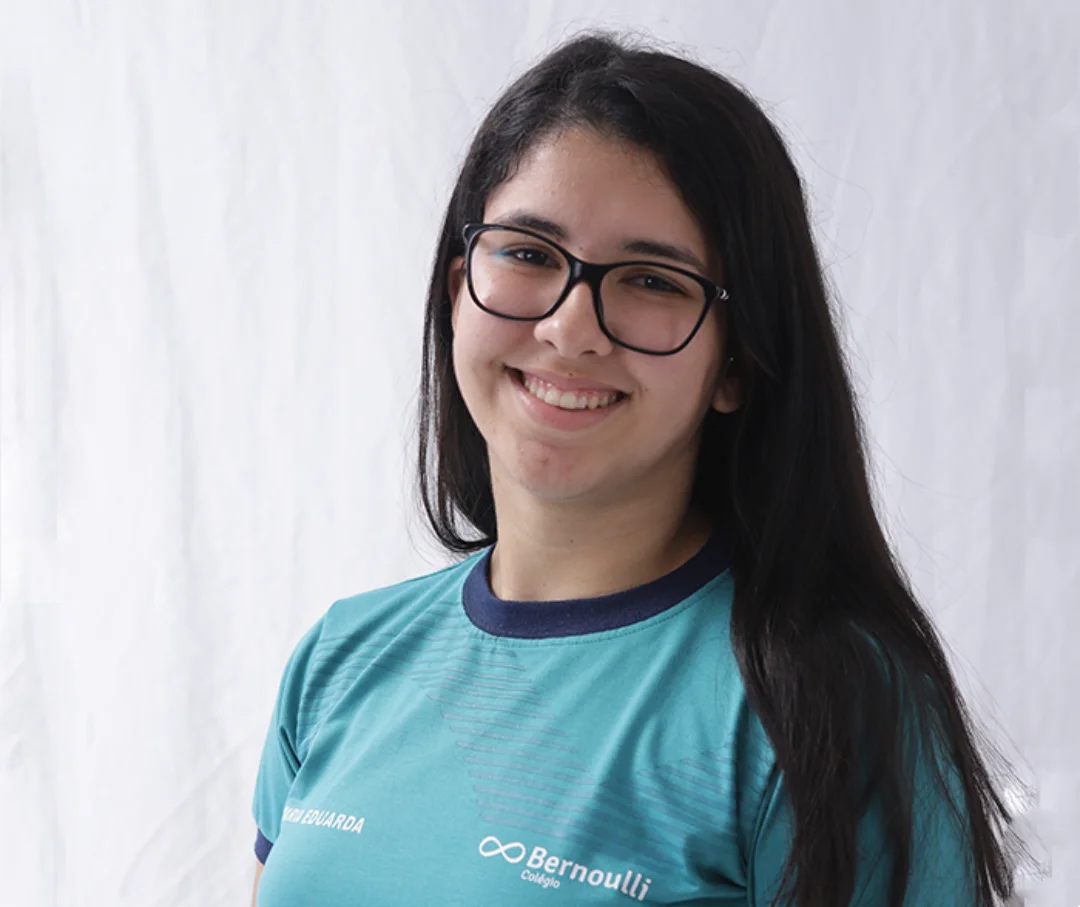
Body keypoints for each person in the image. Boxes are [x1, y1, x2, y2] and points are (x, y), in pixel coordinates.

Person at [248, 31, 1021, 906]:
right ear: (459, 289)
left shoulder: (825, 707)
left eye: (652, 279)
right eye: (529, 253)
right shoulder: (340, 660)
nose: (570, 327)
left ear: (736, 363)